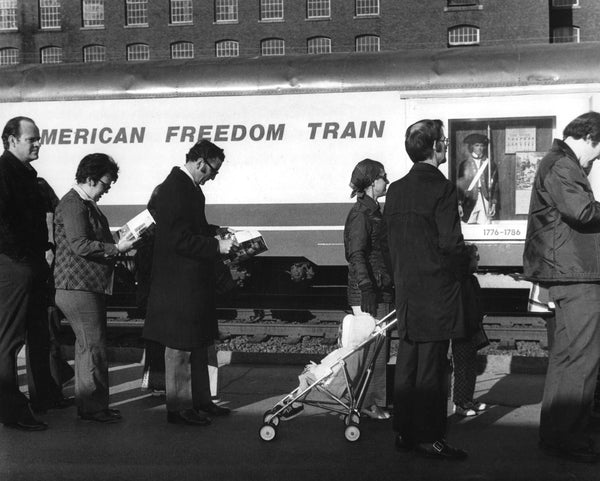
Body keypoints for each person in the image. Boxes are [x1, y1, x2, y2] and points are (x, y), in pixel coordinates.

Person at [384, 119, 469, 460]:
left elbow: (387, 244)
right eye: (444, 141)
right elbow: (451, 243)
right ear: (434, 147)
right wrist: (465, 267)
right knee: (432, 367)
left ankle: (404, 432)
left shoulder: (396, 189)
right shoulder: (443, 188)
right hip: (437, 289)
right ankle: (431, 436)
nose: (447, 145)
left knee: (407, 361)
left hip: (406, 289)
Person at [523, 111, 600, 464]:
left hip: (566, 272)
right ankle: (571, 438)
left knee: (565, 357)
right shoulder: (563, 166)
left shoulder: (558, 163)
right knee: (584, 358)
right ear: (589, 138)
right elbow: (583, 213)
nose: (595, 161)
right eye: (597, 152)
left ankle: (555, 435)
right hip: (576, 272)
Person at [142, 139, 233, 426]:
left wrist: (214, 231)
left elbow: (189, 228)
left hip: (191, 282)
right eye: (212, 171)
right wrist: (215, 247)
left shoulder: (188, 189)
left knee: (198, 343)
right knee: (180, 346)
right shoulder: (174, 189)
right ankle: (180, 407)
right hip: (178, 285)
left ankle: (200, 401)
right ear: (199, 162)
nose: (213, 177)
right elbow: (177, 238)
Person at [54, 153, 136, 423]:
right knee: (95, 347)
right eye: (105, 184)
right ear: (90, 179)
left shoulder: (83, 203)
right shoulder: (74, 204)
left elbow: (89, 239)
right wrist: (116, 248)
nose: (106, 190)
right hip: (78, 286)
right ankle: (94, 409)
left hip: (82, 286)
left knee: (86, 347)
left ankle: (89, 405)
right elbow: (79, 244)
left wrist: (121, 238)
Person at [0, 116, 68, 432]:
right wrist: (24, 257)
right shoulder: (4, 173)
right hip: (17, 265)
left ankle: (45, 395)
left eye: (38, 138)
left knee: (40, 331)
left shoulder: (25, 174)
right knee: (10, 341)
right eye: (32, 139)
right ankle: (12, 410)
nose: (38, 143)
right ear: (12, 140)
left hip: (32, 263)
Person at [343, 158, 393, 419]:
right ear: (373, 182)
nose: (387, 180)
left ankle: (372, 401)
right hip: (369, 290)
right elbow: (356, 254)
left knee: (378, 346)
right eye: (384, 176)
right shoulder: (362, 213)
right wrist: (366, 288)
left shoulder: (371, 209)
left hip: (378, 287)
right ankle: (369, 403)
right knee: (374, 348)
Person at [451, 244, 488, 417]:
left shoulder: (471, 280)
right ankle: (460, 402)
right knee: (462, 367)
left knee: (470, 366)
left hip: (471, 328)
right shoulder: (461, 281)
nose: (478, 259)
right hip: (461, 330)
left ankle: (468, 399)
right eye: (475, 256)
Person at [457, 133, 498, 224]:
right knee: (468, 224)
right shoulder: (464, 164)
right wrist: (459, 204)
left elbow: (495, 184)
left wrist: (494, 203)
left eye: (482, 145)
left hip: (486, 197)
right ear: (472, 147)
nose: (480, 148)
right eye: (477, 145)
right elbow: (460, 186)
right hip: (469, 199)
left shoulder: (490, 164)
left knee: (485, 225)